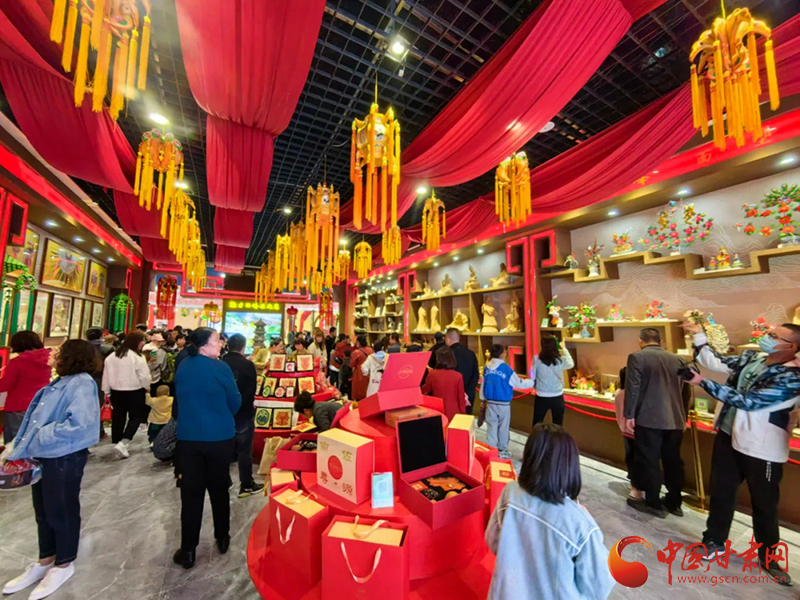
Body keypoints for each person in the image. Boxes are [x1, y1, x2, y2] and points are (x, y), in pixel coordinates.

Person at [685, 322, 800, 584]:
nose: (767, 337)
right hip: (728, 435)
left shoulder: (792, 377)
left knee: (764, 505)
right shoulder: (753, 359)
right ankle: (714, 541)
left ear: (791, 346)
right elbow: (716, 362)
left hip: (763, 447)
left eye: (774, 336)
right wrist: (698, 334)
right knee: (721, 492)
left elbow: (749, 402)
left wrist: (701, 382)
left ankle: (769, 558)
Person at [0, 340, 101, 600]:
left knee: (61, 511)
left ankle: (64, 564)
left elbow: (80, 424)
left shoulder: (81, 383)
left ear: (72, 356)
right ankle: (45, 560)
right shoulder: (62, 381)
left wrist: (39, 437)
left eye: (59, 349)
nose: (52, 352)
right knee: (43, 512)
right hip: (46, 455)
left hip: (63, 457)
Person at [485, 424, 614, 600]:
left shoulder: (511, 492)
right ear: (569, 465)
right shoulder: (580, 523)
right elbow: (598, 585)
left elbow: (492, 539)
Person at [172, 328, 241, 569]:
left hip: (189, 438)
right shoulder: (220, 368)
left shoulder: (183, 365)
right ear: (203, 345)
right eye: (216, 340)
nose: (221, 343)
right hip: (219, 437)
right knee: (219, 488)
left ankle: (188, 549)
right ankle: (222, 536)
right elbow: (235, 401)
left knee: (190, 494)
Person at [623, 327, 690, 518]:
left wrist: (629, 415)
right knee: (673, 461)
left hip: (648, 418)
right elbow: (686, 391)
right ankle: (674, 502)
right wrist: (683, 416)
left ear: (640, 340)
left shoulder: (637, 357)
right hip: (675, 419)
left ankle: (653, 502)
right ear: (661, 341)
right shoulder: (678, 359)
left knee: (649, 460)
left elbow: (633, 388)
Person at [222, 333, 264, 499]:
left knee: (224, 449)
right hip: (243, 413)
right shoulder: (247, 365)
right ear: (243, 347)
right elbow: (251, 391)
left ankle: (224, 481)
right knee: (244, 451)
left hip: (223, 413)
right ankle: (246, 484)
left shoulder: (220, 363)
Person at [102, 331, 151, 459]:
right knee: (136, 416)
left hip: (116, 391)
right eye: (142, 340)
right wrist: (147, 387)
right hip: (135, 390)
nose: (143, 343)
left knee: (118, 416)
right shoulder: (137, 357)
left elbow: (106, 375)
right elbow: (144, 376)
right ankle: (124, 442)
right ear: (137, 342)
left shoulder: (112, 356)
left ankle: (117, 441)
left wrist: (106, 391)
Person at [481, 344, 534, 459]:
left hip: (490, 403)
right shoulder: (506, 369)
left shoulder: (486, 368)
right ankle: (502, 450)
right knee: (503, 428)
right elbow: (519, 383)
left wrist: (482, 399)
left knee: (491, 428)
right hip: (503, 404)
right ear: (502, 354)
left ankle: (491, 452)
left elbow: (483, 386)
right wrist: (532, 382)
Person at [0, 331, 51, 444]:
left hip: (18, 406)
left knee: (14, 443)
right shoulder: (48, 358)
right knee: (32, 441)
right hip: (41, 403)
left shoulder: (18, 362)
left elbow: (5, 385)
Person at [530, 336, 574, 426]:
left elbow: (532, 375)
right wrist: (564, 348)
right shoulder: (560, 360)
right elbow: (571, 364)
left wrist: (534, 387)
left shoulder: (536, 359)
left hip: (541, 395)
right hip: (557, 396)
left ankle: (537, 436)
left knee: (537, 423)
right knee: (558, 424)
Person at [614, 367, 642, 500]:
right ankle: (638, 486)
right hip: (638, 431)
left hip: (625, 430)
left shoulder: (618, 393)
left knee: (630, 457)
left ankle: (634, 483)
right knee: (639, 458)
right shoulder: (636, 394)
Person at [422, 346, 466, 421]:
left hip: (438, 410)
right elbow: (461, 398)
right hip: (454, 412)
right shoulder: (458, 376)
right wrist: (463, 413)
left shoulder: (432, 374)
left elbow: (425, 391)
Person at [445, 328, 480, 409]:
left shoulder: (447, 355)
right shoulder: (471, 353)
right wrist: (468, 391)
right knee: (467, 415)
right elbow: (476, 375)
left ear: (447, 339)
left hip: (452, 394)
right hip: (469, 393)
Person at [143, 332, 168, 397]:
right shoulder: (154, 350)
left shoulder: (146, 346)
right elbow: (154, 363)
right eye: (159, 341)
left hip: (146, 374)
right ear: (154, 341)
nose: (160, 343)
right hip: (154, 376)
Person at [349, 335, 374, 400]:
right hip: (369, 373)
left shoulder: (356, 352)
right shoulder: (371, 350)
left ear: (358, 342)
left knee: (358, 391)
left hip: (359, 373)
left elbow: (351, 364)